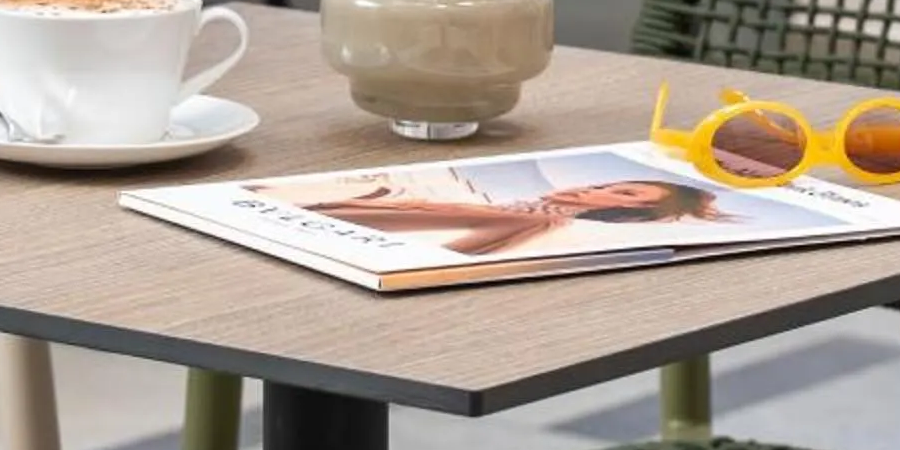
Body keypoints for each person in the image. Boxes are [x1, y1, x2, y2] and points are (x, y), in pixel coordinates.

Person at [291, 174, 731, 256]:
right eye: (609, 181)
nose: (594, 188)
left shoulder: (534, 221)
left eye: (622, 192)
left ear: (629, 209)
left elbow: (448, 258)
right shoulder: (526, 210)